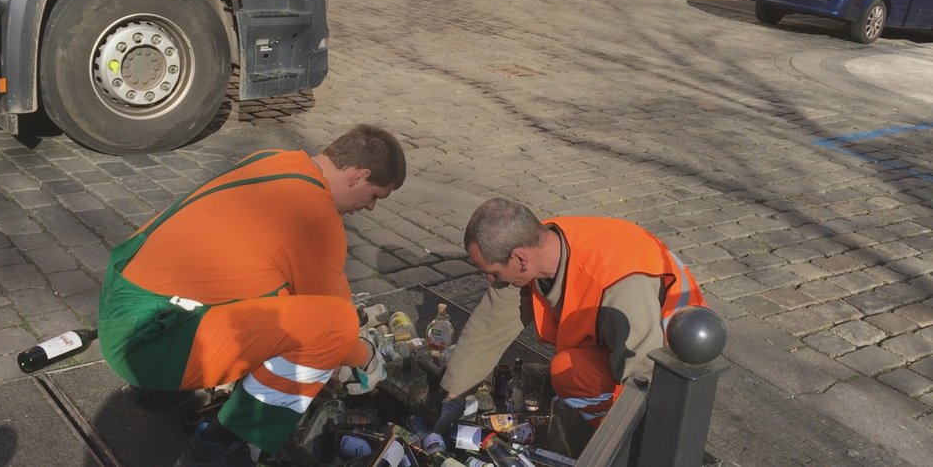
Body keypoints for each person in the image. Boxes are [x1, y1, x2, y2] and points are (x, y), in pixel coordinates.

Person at [97, 124, 407, 467]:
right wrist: (365, 357)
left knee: (282, 294)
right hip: (154, 341)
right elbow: (335, 324)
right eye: (375, 196)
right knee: (335, 325)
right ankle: (222, 448)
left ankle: (161, 395)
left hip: (125, 311)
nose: (370, 208)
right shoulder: (315, 215)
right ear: (358, 175)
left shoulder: (275, 161)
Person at [434, 198, 707, 438]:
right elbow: (490, 324)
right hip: (625, 340)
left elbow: (644, 374)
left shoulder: (620, 285)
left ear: (520, 259)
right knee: (566, 370)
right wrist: (455, 394)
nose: (489, 279)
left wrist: (628, 445)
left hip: (671, 363)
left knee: (570, 373)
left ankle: (609, 437)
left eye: (492, 272)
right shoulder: (539, 242)